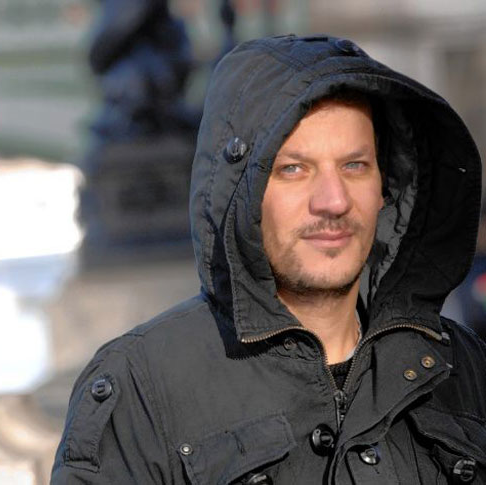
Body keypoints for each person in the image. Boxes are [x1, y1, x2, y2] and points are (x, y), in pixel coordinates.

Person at [51, 35, 486, 484]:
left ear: (386, 187)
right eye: (293, 169)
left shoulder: (463, 367)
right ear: (241, 193)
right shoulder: (139, 387)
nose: (334, 201)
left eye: (354, 166)